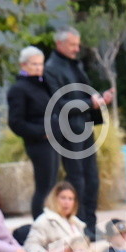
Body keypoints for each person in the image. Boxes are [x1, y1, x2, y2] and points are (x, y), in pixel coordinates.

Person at [43, 27, 114, 240]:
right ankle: (80, 226)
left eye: (77, 44)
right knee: (77, 180)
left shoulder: (75, 65)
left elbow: (83, 94)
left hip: (84, 127)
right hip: (68, 131)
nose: (76, 48)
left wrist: (99, 100)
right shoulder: (51, 69)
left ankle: (90, 224)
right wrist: (89, 103)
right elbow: (58, 103)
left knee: (92, 178)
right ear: (60, 44)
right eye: (72, 45)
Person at [5, 47, 56, 218]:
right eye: (34, 64)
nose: (38, 68)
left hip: (53, 141)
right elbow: (16, 122)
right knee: (44, 187)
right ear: (23, 65)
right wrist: (42, 132)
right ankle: (40, 224)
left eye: (40, 64)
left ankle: (51, 223)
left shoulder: (43, 84)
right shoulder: (19, 89)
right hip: (38, 143)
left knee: (52, 186)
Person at [24, 181, 85, 252]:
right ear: (54, 199)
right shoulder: (44, 220)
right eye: (63, 198)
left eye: (70, 199)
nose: (67, 202)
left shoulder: (76, 223)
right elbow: (30, 245)